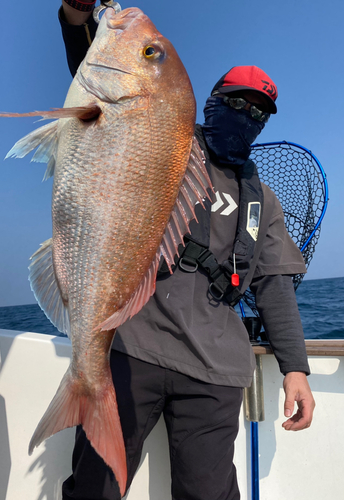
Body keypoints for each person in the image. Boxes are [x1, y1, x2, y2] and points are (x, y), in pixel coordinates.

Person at [58, 2, 316, 499]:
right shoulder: (166, 141)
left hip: (216, 371)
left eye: (258, 111)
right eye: (237, 103)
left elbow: (274, 288)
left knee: (209, 494)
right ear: (211, 100)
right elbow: (112, 94)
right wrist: (76, 17)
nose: (247, 116)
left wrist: (296, 369)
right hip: (134, 346)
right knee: (95, 488)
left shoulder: (262, 198)